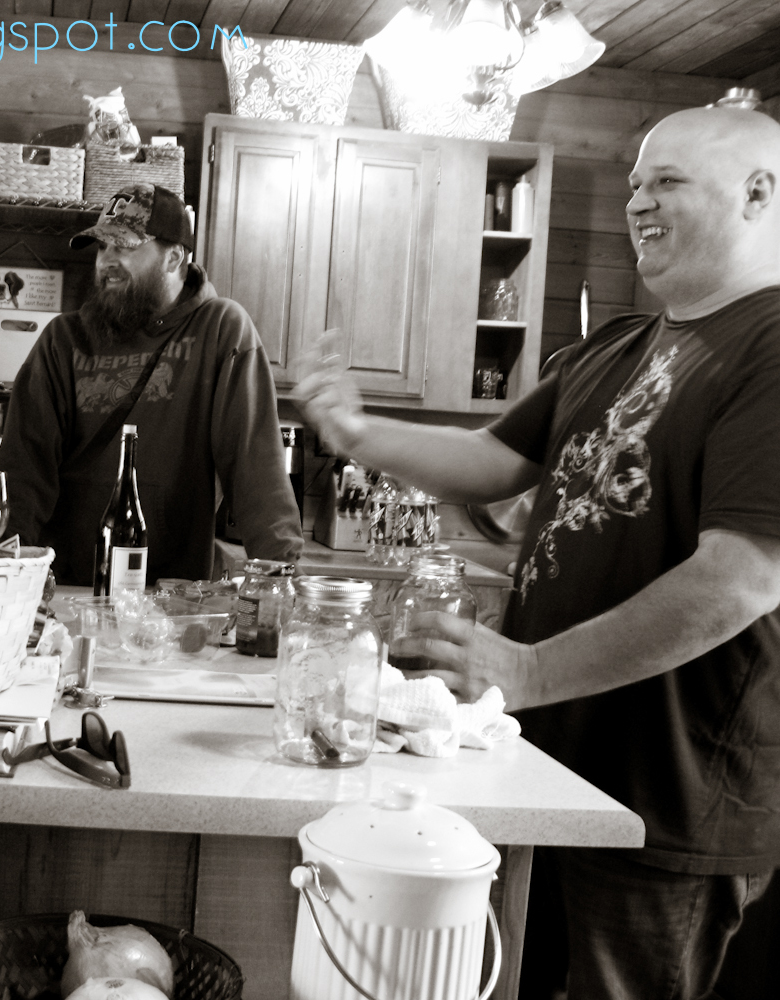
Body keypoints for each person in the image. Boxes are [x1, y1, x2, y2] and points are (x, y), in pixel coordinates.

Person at [296, 106, 780, 999]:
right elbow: (489, 461)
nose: (636, 202)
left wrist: (528, 670)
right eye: (633, 184)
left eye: (666, 181)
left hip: (663, 802)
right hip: (544, 767)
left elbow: (742, 578)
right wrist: (356, 433)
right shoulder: (616, 345)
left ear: (757, 194)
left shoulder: (770, 348)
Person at [0, 183, 304, 585]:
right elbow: (21, 471)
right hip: (67, 588)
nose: (107, 261)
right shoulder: (63, 339)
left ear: (173, 257)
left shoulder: (221, 331)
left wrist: (281, 579)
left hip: (171, 597)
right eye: (102, 247)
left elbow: (256, 470)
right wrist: (0, 572)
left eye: (124, 246)